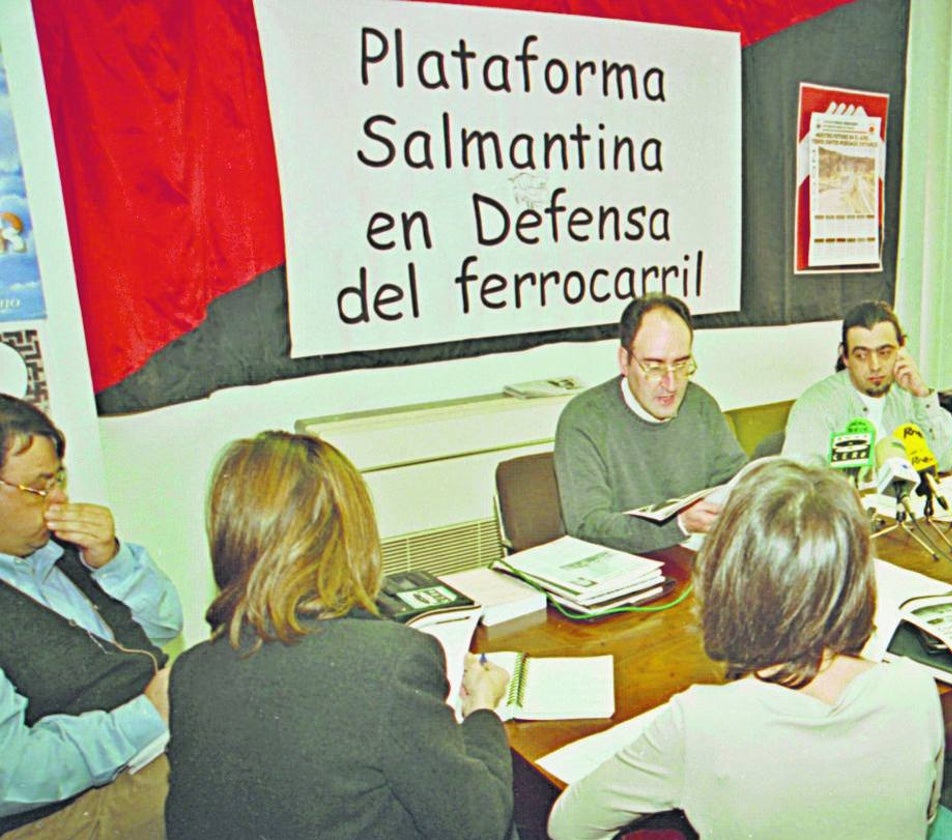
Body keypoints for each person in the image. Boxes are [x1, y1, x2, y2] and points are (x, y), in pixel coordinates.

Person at [547, 459, 944, 839]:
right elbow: (923, 813)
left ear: (729, 575)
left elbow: (568, 826)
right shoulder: (916, 689)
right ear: (857, 574)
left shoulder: (700, 721)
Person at [165, 431, 514, 840]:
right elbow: (480, 824)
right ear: (351, 531)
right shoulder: (390, 663)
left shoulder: (189, 672)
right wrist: (484, 710)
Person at [0, 393, 181, 839]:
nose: (59, 498)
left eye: (59, 479)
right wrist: (148, 716)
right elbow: (12, 776)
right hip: (64, 810)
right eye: (40, 487)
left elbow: (164, 626)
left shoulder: (56, 550)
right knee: (245, 778)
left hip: (148, 751)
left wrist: (113, 562)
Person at [554, 294, 748, 554]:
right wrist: (678, 524)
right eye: (655, 367)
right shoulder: (585, 419)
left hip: (692, 560)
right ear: (625, 361)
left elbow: (735, 479)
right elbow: (588, 525)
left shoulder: (699, 404)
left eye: (681, 364)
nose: (671, 383)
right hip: (624, 569)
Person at [782, 299, 952, 471]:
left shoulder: (908, 395)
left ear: (901, 349)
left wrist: (921, 395)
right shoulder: (815, 406)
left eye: (885, 353)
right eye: (861, 355)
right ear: (845, 357)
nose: (875, 366)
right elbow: (799, 484)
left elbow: (943, 462)